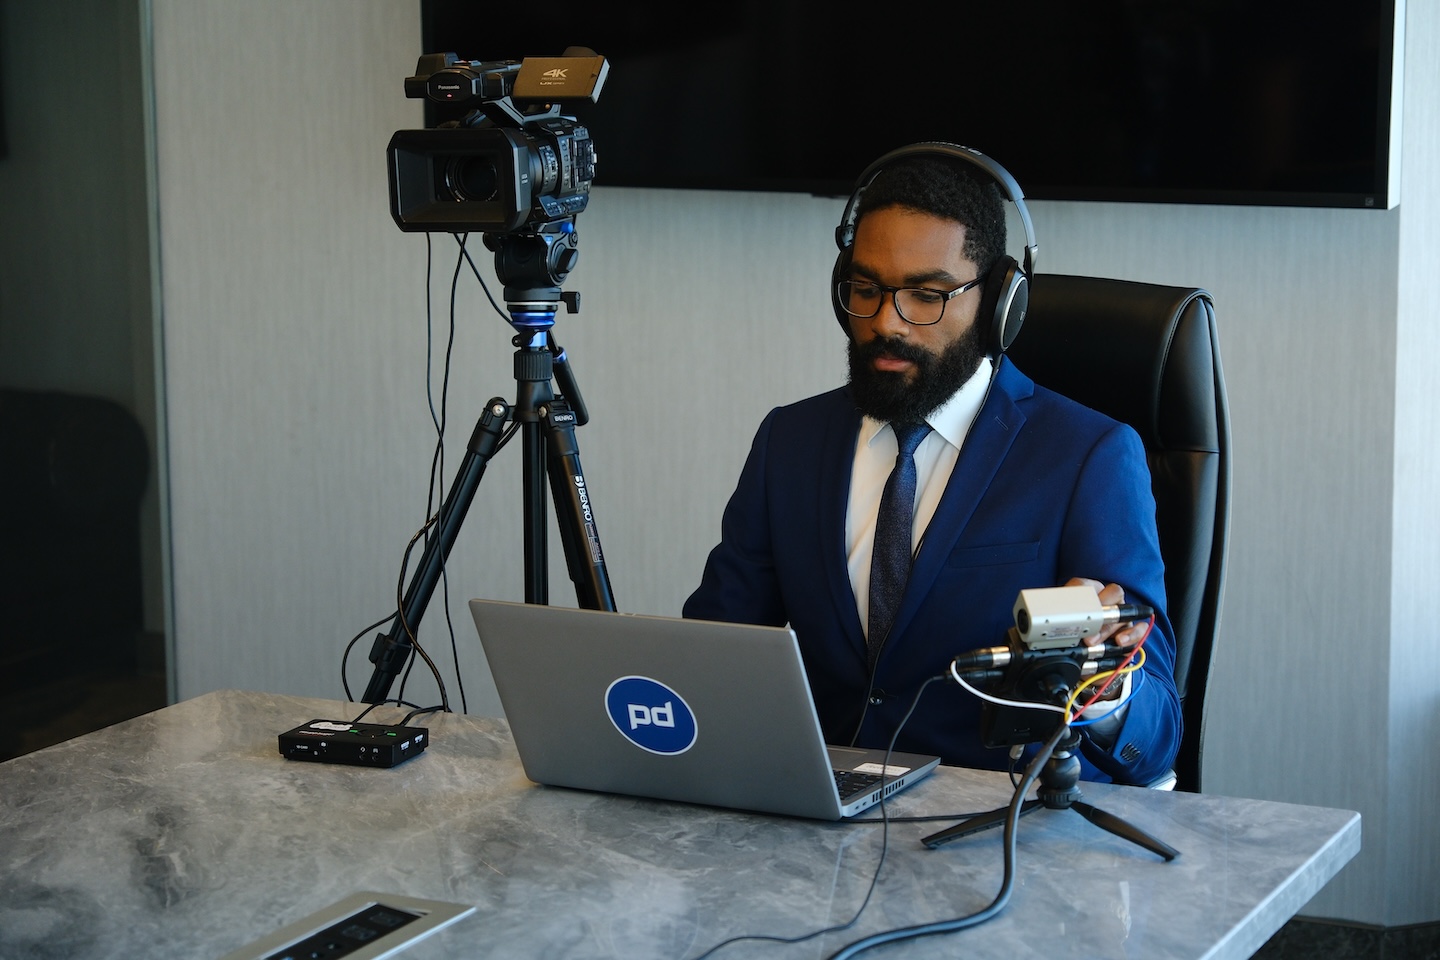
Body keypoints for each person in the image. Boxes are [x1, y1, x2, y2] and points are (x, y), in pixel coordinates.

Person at [682, 145, 1181, 785]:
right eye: (866, 289)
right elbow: (715, 654)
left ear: (1001, 302)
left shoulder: (1089, 455)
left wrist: (1102, 683)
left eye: (928, 295)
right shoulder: (790, 440)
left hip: (997, 828)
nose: (888, 321)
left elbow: (1159, 735)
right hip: (818, 822)